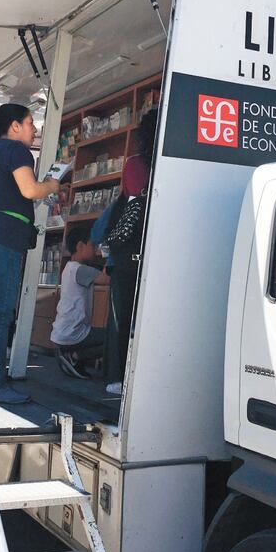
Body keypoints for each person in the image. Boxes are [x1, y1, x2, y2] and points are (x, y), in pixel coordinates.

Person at [0, 103, 59, 404]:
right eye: (31, 123)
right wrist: (52, 185)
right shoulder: (17, 151)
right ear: (15, 126)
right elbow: (30, 190)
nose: (35, 130)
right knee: (0, 314)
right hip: (4, 238)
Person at [103, 109, 157, 395]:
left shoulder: (136, 163)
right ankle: (118, 375)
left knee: (122, 315)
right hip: (142, 248)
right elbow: (140, 201)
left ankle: (118, 375)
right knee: (133, 315)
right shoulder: (148, 164)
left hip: (131, 250)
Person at [51, 227, 110, 379]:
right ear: (80, 246)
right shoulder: (81, 270)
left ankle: (70, 355)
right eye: (92, 245)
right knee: (113, 338)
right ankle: (74, 356)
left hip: (62, 330)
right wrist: (110, 255)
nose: (95, 249)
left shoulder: (69, 268)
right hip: (73, 332)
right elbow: (106, 279)